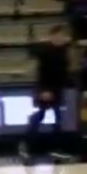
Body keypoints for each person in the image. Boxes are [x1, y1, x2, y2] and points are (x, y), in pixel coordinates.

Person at [20, 25, 72, 162]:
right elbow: (40, 71)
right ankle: (27, 146)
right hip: (45, 88)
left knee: (57, 118)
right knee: (41, 115)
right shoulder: (45, 50)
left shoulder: (63, 50)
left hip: (57, 89)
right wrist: (43, 90)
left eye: (63, 36)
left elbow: (63, 71)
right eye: (59, 36)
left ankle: (56, 149)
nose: (61, 38)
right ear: (52, 36)